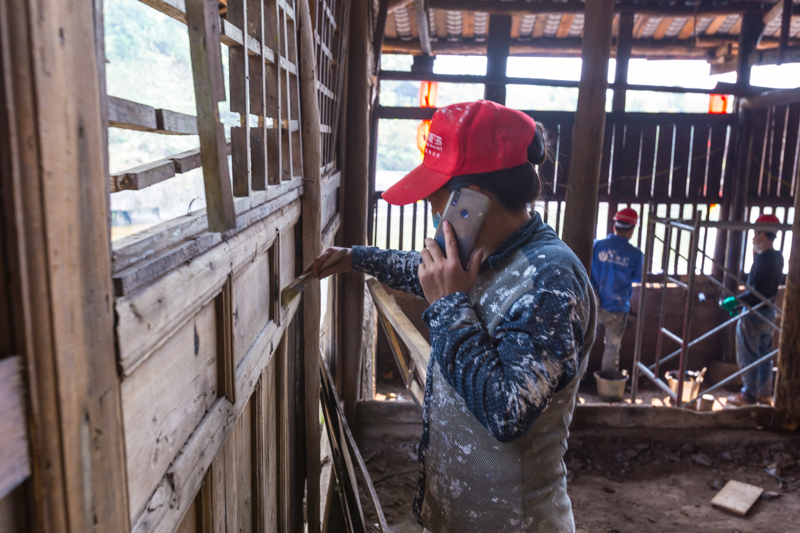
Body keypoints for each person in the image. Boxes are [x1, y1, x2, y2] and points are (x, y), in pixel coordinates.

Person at [305, 101, 596, 532]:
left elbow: (507, 412)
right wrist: (356, 258)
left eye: (435, 197)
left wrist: (448, 307)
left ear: (473, 199)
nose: (432, 210)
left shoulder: (550, 281)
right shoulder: (486, 250)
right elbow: (424, 271)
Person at [726, 213, 784, 406]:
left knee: (748, 354)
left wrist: (735, 300)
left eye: (755, 233)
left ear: (761, 235)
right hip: (769, 313)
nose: (752, 238)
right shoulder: (778, 257)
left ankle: (748, 394)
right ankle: (764, 393)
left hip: (754, 314)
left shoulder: (761, 261)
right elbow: (767, 289)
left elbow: (755, 293)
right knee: (765, 355)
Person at [590, 208, 644, 379]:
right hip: (618, 307)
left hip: (595, 303)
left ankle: (577, 383)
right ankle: (607, 382)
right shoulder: (635, 254)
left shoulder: (597, 246)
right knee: (612, 347)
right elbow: (638, 277)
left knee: (584, 343)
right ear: (631, 230)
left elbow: (587, 272)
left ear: (615, 226)